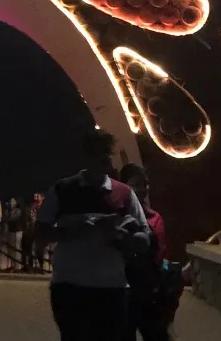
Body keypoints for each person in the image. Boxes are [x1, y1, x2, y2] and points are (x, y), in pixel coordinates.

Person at [36, 130, 150, 341]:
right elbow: (41, 233)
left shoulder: (124, 194)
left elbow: (145, 239)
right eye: (99, 153)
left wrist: (123, 237)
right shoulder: (63, 190)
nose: (105, 158)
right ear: (86, 157)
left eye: (108, 152)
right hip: (70, 288)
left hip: (112, 289)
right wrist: (81, 229)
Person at [120, 164, 172, 341]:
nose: (142, 189)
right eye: (136, 184)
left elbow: (162, 253)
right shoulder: (117, 217)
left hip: (148, 290)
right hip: (123, 289)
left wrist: (164, 276)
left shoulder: (155, 217)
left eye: (145, 184)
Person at [5, 197, 23, 272]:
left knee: (16, 248)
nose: (10, 203)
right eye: (10, 201)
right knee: (10, 249)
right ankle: (12, 265)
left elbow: (12, 218)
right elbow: (5, 219)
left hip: (17, 231)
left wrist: (9, 214)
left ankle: (17, 267)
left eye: (12, 201)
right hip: (10, 230)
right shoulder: (7, 210)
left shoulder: (18, 210)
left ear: (16, 202)